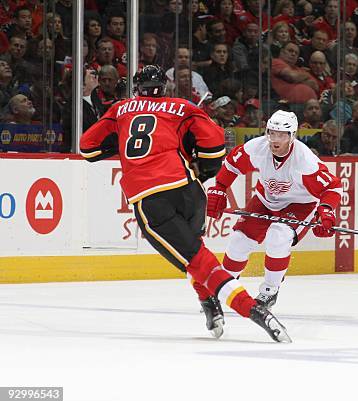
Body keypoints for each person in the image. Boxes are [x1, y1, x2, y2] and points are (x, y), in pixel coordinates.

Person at [79, 65, 290, 343]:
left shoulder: (120, 110)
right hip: (188, 190)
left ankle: (254, 311)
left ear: (136, 89)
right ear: (163, 88)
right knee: (196, 253)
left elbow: (87, 147)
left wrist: (119, 142)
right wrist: (201, 170)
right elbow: (215, 143)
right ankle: (208, 304)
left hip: (150, 197)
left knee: (199, 262)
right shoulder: (182, 106)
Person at [201, 110, 341, 314]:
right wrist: (219, 188)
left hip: (299, 205)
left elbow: (332, 187)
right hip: (265, 199)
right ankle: (225, 288)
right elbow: (231, 164)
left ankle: (269, 290)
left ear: (292, 136)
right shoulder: (257, 148)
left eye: (282, 135)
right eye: (272, 133)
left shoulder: (304, 161)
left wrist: (326, 211)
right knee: (239, 239)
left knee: (279, 235)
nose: (275, 140)